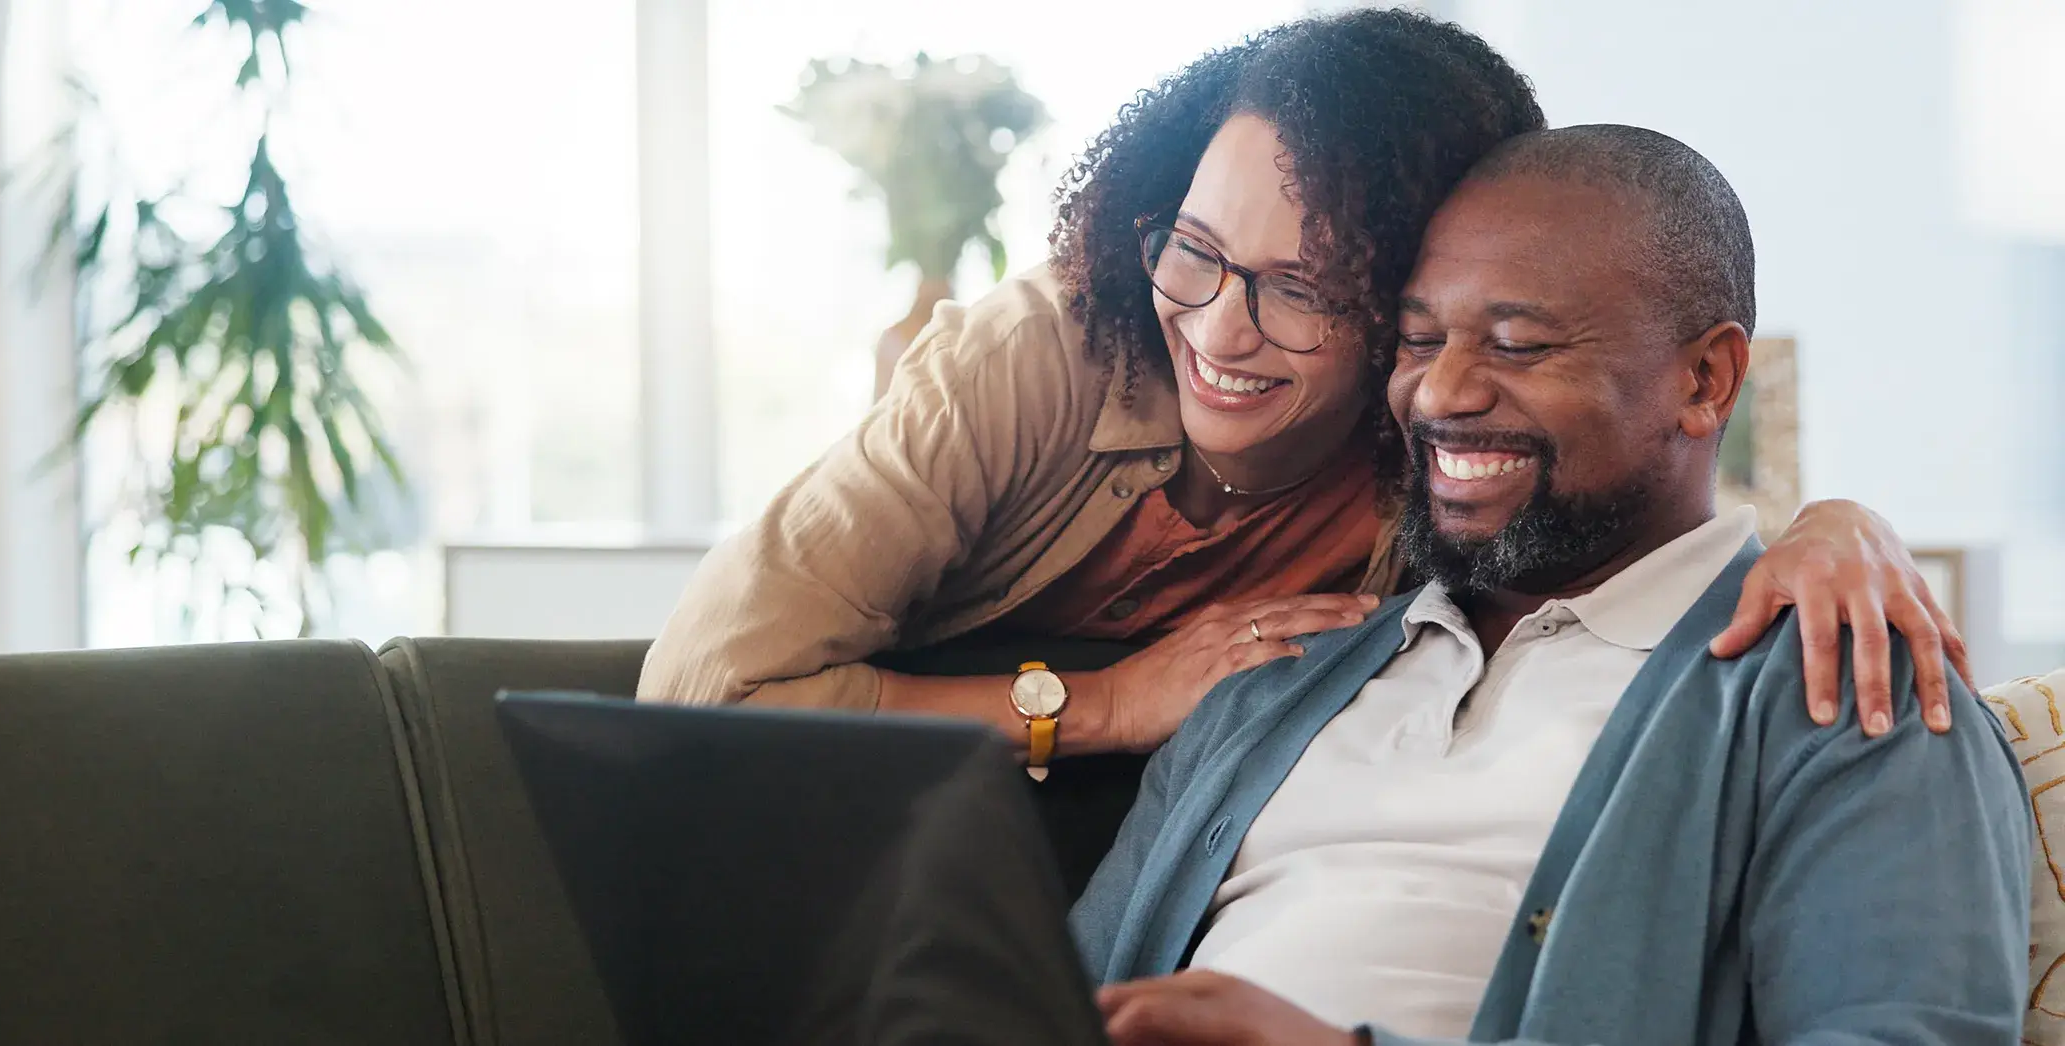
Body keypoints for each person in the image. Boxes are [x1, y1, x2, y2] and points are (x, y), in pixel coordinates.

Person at [636, 10, 1970, 768]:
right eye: (1199, 250)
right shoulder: (1045, 345)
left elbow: (1645, 514)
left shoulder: (1435, 434)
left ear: (1403, 301)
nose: (1219, 324)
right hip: (886, 814)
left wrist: (1835, 523)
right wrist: (1100, 701)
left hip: (1178, 842)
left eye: (1301, 287)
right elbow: (705, 690)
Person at [1072, 125, 2031, 1046]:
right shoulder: (1273, 680)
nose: (1443, 393)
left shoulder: (1843, 680)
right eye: (1417, 341)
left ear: (1705, 379)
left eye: (1519, 346)